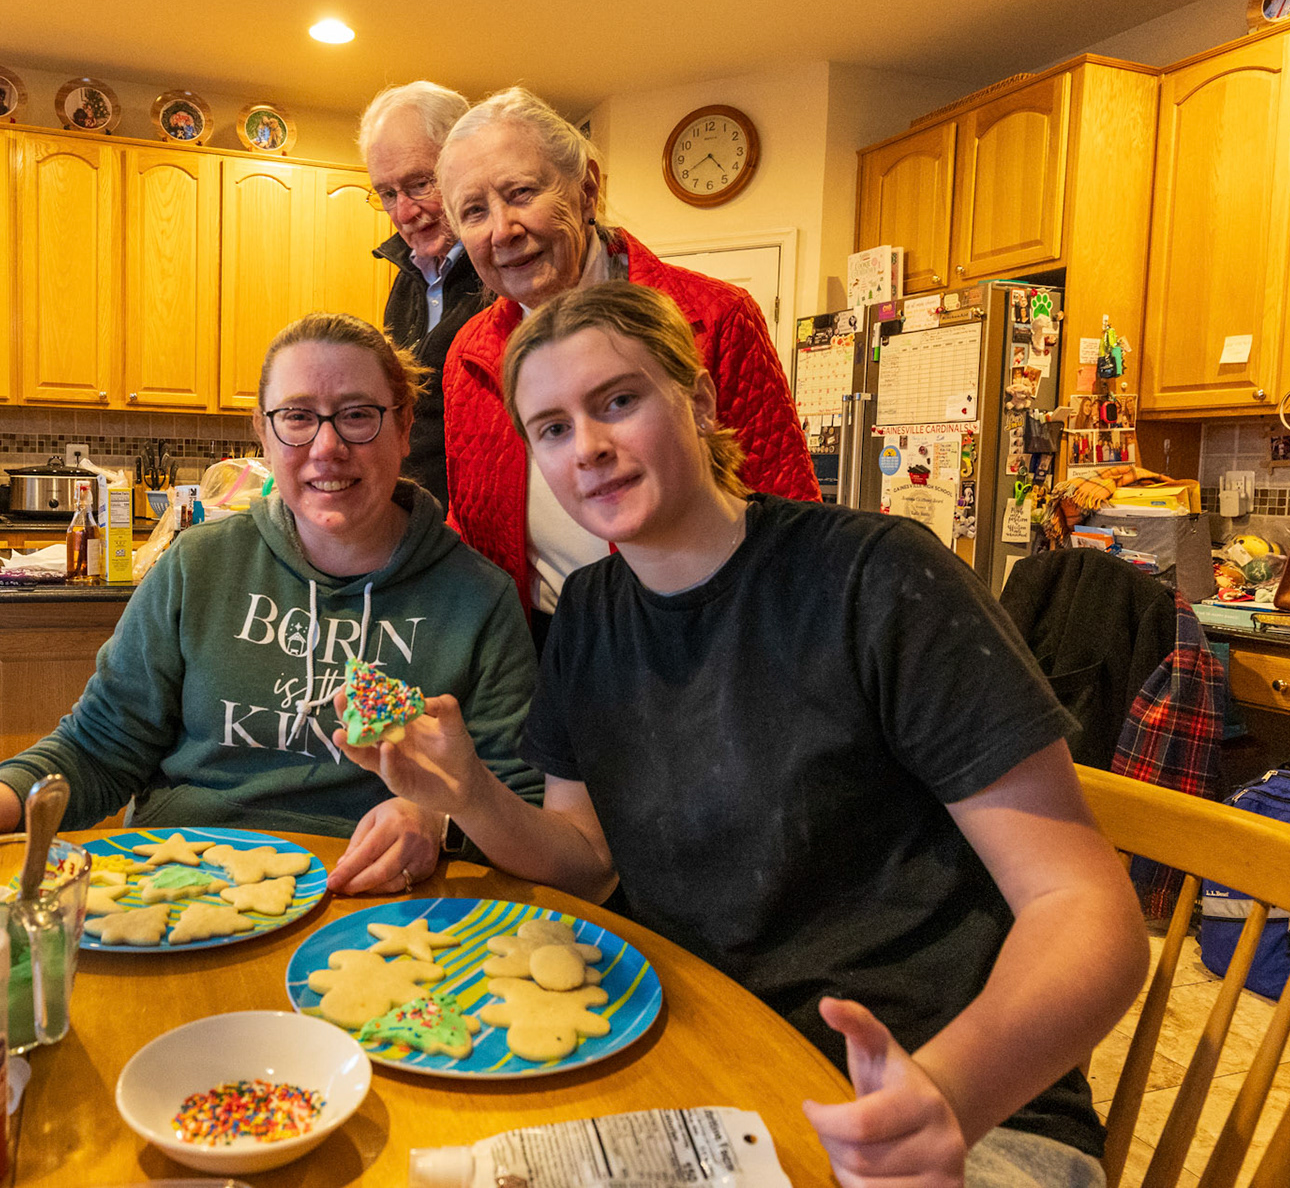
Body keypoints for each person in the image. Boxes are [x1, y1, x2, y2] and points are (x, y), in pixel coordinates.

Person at [339, 281, 1149, 1186]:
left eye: (618, 401)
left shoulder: (874, 578)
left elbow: (1084, 908)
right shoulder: (591, 614)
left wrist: (946, 1097)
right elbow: (588, 861)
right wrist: (469, 796)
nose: (589, 447)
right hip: (707, 1075)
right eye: (553, 428)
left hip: (949, 1109)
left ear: (699, 402)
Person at [0, 313, 543, 895]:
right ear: (263, 433)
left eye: (358, 415)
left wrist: (437, 819)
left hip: (362, 897)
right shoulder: (198, 565)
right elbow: (101, 745)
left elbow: (518, 801)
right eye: (297, 418)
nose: (327, 447)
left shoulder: (476, 598)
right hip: (174, 880)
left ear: (403, 427)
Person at [435, 87, 819, 639]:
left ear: (587, 189)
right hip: (534, 647)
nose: (503, 230)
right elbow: (472, 527)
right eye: (474, 211)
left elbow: (787, 509)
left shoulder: (715, 318)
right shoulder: (469, 355)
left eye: (521, 193)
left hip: (704, 631)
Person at [358, 81, 493, 509]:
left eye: (420, 184)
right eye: (387, 193)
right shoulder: (407, 278)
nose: (404, 212)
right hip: (415, 524)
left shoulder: (504, 273)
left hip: (478, 529)